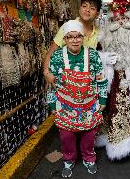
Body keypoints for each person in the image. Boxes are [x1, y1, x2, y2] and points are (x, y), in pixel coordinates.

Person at [48, 20, 108, 177]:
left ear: (83, 38)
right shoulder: (56, 57)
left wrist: (102, 100)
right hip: (65, 105)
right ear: (65, 39)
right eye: (70, 37)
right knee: (66, 136)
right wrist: (52, 104)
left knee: (89, 135)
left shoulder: (93, 55)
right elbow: (50, 84)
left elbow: (101, 79)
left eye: (78, 36)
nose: (75, 40)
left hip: (89, 105)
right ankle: (69, 160)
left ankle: (89, 157)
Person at [95, 0, 130, 160]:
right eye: (116, 20)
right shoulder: (104, 38)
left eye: (124, 19)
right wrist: (104, 58)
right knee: (115, 111)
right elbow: (93, 56)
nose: (121, 23)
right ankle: (119, 145)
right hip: (113, 81)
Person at [43, 0, 114, 90]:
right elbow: (51, 52)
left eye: (92, 8)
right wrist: (46, 72)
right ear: (79, 9)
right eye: (84, 6)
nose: (87, 10)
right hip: (67, 82)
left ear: (97, 14)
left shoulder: (99, 32)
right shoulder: (67, 27)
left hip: (87, 84)